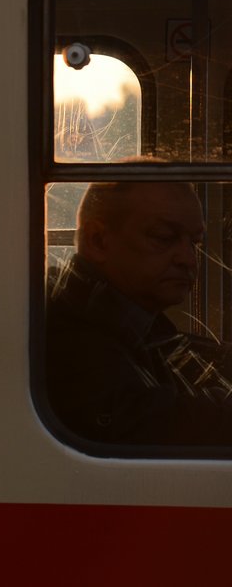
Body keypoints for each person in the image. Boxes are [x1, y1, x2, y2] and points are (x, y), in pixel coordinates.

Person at [46, 181, 232, 446]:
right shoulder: (69, 340)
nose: (188, 260)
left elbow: (186, 358)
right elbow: (152, 422)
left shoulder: (120, 319)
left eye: (195, 243)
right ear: (98, 241)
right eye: (163, 237)